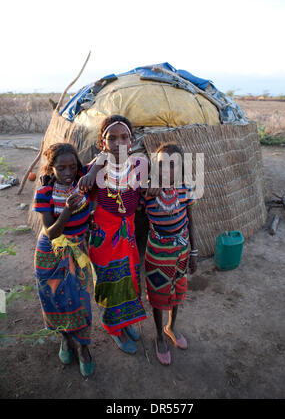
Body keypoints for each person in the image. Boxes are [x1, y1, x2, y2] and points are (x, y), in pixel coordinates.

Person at [78, 115, 148, 354]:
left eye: (124, 137)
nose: (119, 142)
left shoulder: (139, 166)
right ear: (102, 143)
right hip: (104, 240)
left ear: (131, 141)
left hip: (127, 237)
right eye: (112, 138)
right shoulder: (92, 172)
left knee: (129, 281)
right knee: (109, 285)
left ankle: (127, 323)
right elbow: (81, 205)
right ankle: (114, 329)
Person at [33, 143, 94, 377]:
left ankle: (84, 348)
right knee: (54, 299)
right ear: (51, 168)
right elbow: (51, 232)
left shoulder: (82, 183)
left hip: (76, 252)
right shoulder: (45, 193)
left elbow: (102, 160)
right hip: (50, 253)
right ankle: (66, 340)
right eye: (62, 168)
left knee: (79, 301)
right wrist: (67, 210)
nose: (68, 172)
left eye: (72, 166)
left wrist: (91, 172)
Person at [139, 142, 198, 366]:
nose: (167, 170)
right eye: (162, 164)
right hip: (157, 252)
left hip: (182, 252)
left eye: (173, 165)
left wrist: (194, 252)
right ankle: (159, 335)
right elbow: (139, 221)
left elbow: (191, 222)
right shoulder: (147, 191)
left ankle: (171, 327)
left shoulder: (185, 188)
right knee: (158, 295)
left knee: (178, 292)